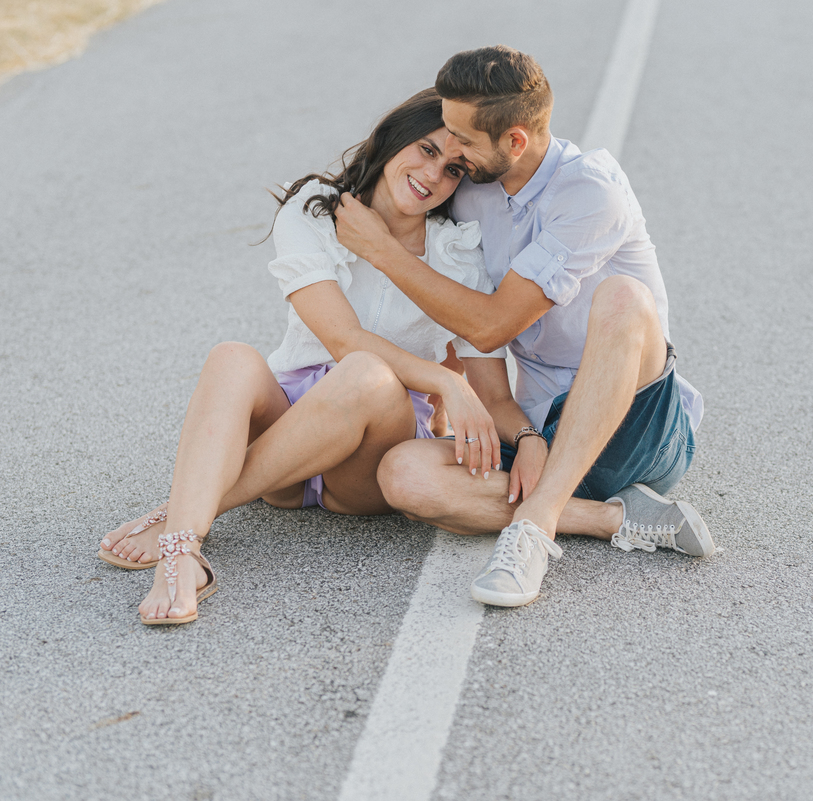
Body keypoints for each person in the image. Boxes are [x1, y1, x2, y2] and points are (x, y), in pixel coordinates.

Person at [96, 88, 530, 625]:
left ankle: (183, 519)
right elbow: (341, 338)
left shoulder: (458, 250)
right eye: (425, 149)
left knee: (368, 375)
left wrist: (455, 393)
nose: (433, 174)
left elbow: (470, 355)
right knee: (232, 356)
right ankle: (185, 559)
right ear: (392, 139)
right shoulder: (314, 209)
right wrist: (447, 386)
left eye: (454, 170)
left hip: (368, 460)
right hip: (290, 428)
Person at [334, 46, 714, 608]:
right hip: (541, 434)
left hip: (635, 426)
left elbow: (490, 327)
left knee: (624, 299)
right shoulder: (471, 195)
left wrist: (383, 251)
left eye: (462, 138)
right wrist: (527, 437)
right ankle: (611, 518)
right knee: (405, 474)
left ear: (513, 141)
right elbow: (479, 356)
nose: (451, 149)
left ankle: (532, 532)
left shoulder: (591, 190)